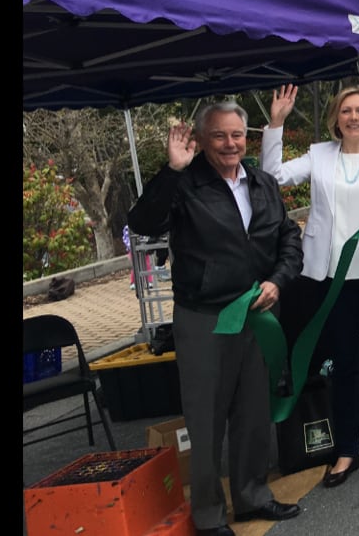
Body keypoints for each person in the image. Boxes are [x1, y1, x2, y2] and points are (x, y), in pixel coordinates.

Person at [127, 101, 304, 535]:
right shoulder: (185, 184)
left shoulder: (262, 182)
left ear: (247, 138)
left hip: (258, 314)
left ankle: (251, 497)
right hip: (206, 317)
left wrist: (278, 280)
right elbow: (143, 223)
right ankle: (208, 516)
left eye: (237, 135)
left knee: (253, 413)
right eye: (220, 135)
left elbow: (288, 238)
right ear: (203, 140)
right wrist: (172, 170)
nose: (230, 143)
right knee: (206, 420)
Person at [263, 84, 359, 488]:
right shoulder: (318, 155)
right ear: (336, 117)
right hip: (334, 275)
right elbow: (273, 176)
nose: (354, 117)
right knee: (344, 363)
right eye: (347, 111)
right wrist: (276, 123)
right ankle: (347, 449)